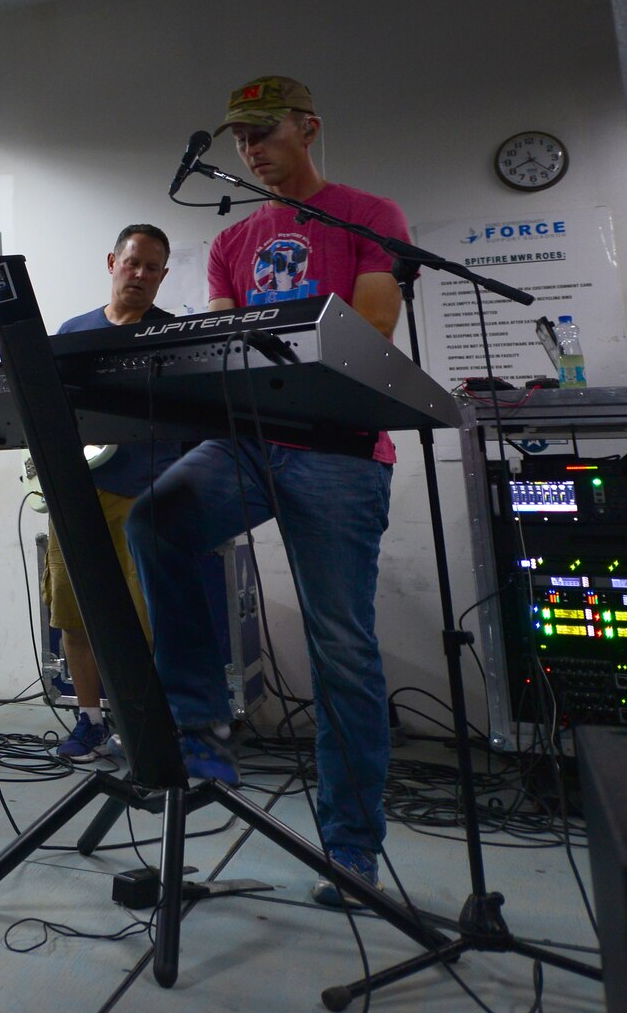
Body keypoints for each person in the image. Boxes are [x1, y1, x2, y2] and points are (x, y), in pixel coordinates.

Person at [125, 76, 406, 907]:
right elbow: (225, 350)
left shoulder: (368, 215)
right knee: (157, 523)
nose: (248, 149)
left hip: (341, 448)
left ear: (309, 127)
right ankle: (201, 719)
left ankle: (352, 847)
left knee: (342, 648)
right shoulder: (231, 241)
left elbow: (373, 331)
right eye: (238, 138)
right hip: (249, 441)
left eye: (263, 131)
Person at [40, 225, 182, 762]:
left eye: (153, 268)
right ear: (111, 262)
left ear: (163, 276)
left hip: (145, 497)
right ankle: (91, 720)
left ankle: (143, 722)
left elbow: (190, 420)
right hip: (75, 493)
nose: (141, 275)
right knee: (73, 615)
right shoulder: (73, 331)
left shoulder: (172, 333)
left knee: (144, 619)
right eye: (133, 263)